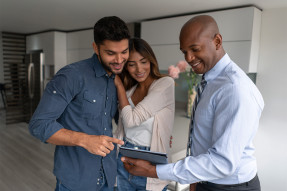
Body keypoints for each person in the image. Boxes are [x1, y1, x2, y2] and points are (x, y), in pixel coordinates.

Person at [120, 15, 264, 191]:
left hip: (231, 187)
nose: (188, 57)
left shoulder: (234, 88)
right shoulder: (210, 81)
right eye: (184, 52)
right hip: (206, 181)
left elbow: (223, 162)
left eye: (195, 49)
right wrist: (195, 180)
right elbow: (203, 139)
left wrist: (154, 171)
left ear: (217, 41)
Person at [28, 16, 130, 191]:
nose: (119, 60)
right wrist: (84, 140)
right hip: (76, 179)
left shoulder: (116, 78)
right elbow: (38, 125)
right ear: (95, 48)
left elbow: (121, 120)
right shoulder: (71, 76)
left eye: (124, 52)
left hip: (108, 176)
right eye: (111, 53)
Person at [113, 38, 175, 191]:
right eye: (132, 64)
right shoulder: (129, 91)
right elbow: (122, 128)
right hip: (124, 156)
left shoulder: (165, 83)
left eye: (143, 62)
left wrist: (118, 85)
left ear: (151, 61)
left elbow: (131, 120)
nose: (139, 69)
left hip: (151, 161)